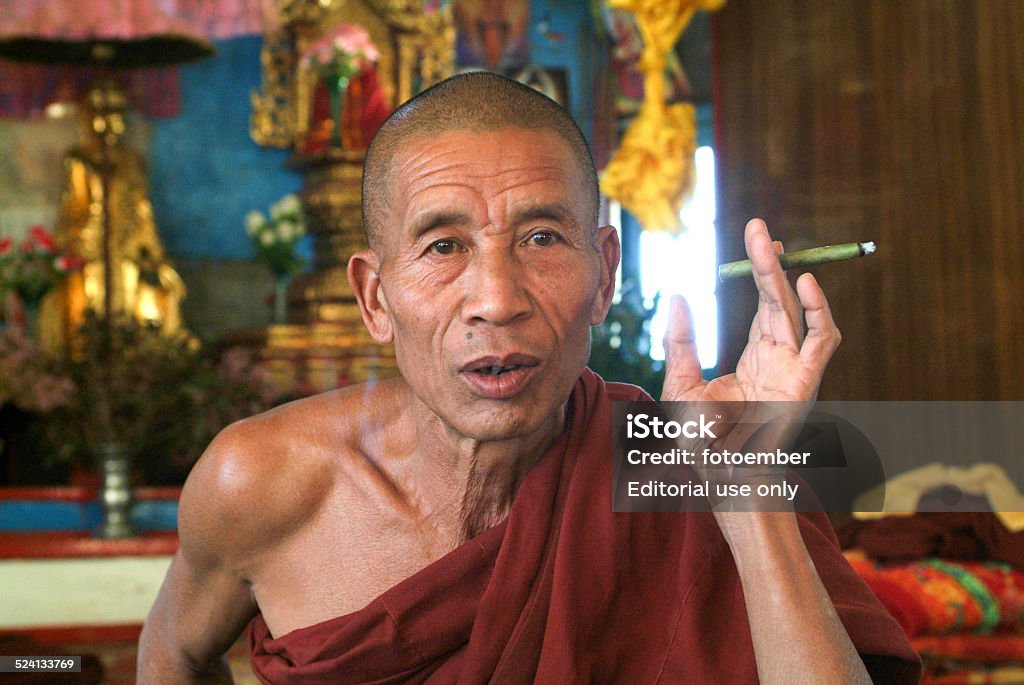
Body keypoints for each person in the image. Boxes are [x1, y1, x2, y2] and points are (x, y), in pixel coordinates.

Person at [137, 73, 919, 683]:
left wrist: (748, 497)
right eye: (443, 247)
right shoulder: (260, 483)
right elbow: (172, 651)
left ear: (605, 274)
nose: (497, 301)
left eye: (543, 237)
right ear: (376, 297)